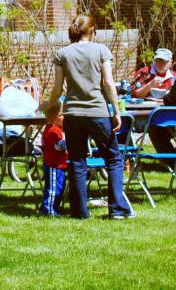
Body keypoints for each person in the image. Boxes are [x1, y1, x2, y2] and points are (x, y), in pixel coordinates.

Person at [39, 14, 134, 219]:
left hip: (72, 114)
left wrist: (46, 104)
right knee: (114, 159)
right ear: (92, 30)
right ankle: (117, 209)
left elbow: (57, 89)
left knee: (77, 161)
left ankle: (79, 212)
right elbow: (108, 83)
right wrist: (116, 111)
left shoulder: (62, 53)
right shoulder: (101, 50)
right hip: (97, 112)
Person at [131, 48, 176, 164]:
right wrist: (150, 85)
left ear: (170, 62)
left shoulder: (174, 77)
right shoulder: (144, 73)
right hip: (144, 116)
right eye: (157, 61)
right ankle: (171, 161)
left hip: (168, 115)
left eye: (163, 61)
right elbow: (134, 96)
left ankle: (172, 160)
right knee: (154, 126)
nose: (160, 64)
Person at [40, 107, 67, 217]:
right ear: (55, 117)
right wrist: (68, 139)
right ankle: (49, 210)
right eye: (61, 115)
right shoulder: (53, 131)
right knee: (53, 189)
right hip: (53, 164)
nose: (64, 117)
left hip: (59, 164)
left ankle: (54, 207)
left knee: (59, 187)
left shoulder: (56, 129)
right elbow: (58, 147)